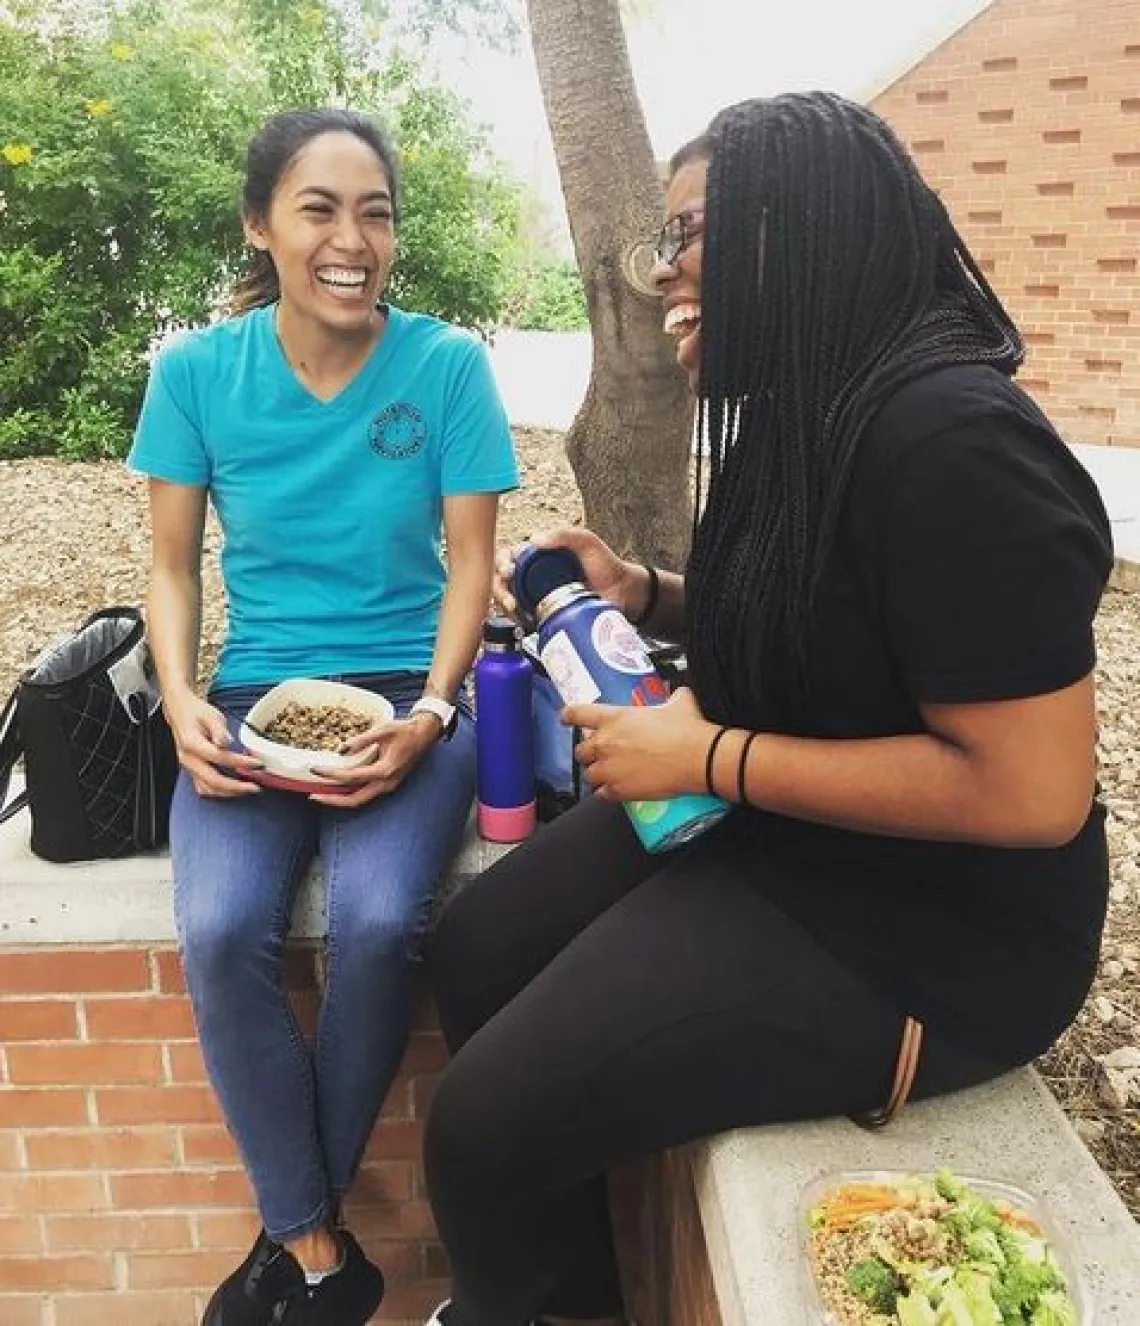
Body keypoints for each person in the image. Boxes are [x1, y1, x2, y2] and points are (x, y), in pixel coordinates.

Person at [419, 92, 1114, 1326]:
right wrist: (651, 595)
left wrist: (713, 755)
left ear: (810, 229)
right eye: (664, 242)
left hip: (929, 934)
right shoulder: (804, 412)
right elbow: (826, 619)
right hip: (787, 834)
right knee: (475, 952)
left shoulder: (955, 444)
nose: (665, 272)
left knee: (480, 1128)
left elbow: (1030, 791)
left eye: (692, 234)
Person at [128, 108, 518, 1326]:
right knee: (221, 925)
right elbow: (174, 564)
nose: (354, 239)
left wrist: (435, 709)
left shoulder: (446, 366)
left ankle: (297, 1244)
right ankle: (313, 1251)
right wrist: (185, 699)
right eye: (319, 207)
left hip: (411, 696)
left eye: (377, 212)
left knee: (381, 915)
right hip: (257, 696)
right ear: (262, 224)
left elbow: (470, 565)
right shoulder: (196, 374)